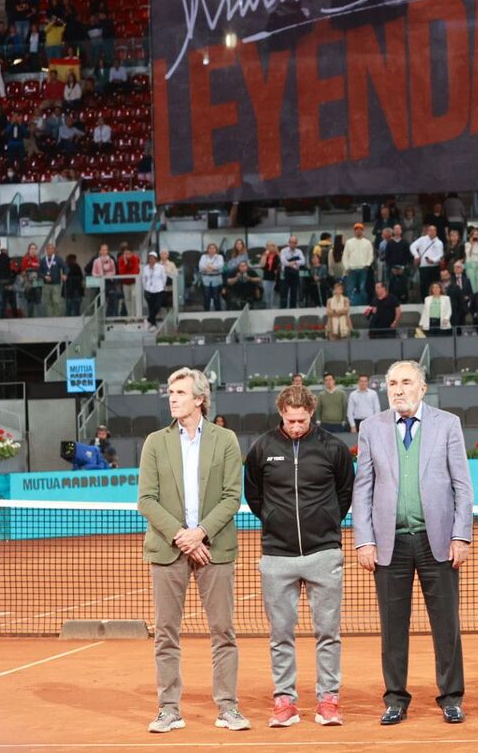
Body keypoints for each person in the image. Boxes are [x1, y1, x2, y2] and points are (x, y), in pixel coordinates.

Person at [352, 360, 473, 726]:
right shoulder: (371, 427)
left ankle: (451, 697)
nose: (398, 389)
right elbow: (364, 488)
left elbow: (462, 486)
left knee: (446, 625)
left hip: (437, 542)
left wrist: (460, 535)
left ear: (422, 388)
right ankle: (395, 699)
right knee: (392, 627)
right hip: (389, 545)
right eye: (392, 383)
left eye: (406, 382)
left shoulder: (447, 424)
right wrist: (364, 540)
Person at [136, 368, 249, 733]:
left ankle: (228, 707)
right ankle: (168, 709)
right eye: (170, 391)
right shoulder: (155, 442)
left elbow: (233, 497)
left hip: (215, 549)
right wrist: (182, 536)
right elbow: (147, 501)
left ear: (199, 399)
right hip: (168, 550)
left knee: (223, 631)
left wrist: (200, 533)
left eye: (180, 392)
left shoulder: (226, 439)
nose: (172, 397)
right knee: (166, 632)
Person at [244, 385, 354, 728]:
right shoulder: (262, 448)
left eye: (301, 420)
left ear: (311, 413)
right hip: (277, 557)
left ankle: (328, 700)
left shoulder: (333, 448)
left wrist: (324, 524)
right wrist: (277, 524)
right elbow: (254, 496)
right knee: (280, 634)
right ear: (281, 413)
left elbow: (344, 492)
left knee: (328, 633)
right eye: (290, 420)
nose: (295, 426)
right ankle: (284, 701)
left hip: (324, 553)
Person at [141, 252, 168, 327]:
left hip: (158, 290)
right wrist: (146, 287)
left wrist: (161, 286)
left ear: (156, 259)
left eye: (153, 259)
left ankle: (148, 320)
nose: (151, 260)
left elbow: (164, 278)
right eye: (150, 258)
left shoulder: (160, 267)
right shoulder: (146, 268)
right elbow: (144, 279)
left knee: (157, 306)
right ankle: (153, 324)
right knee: (151, 307)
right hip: (149, 290)